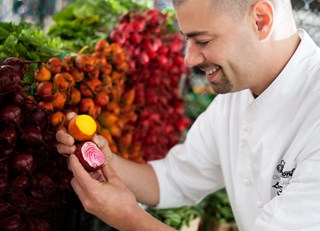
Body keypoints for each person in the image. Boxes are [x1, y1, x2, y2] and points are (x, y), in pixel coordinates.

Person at [56, 0, 320, 230]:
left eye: (202, 41)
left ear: (261, 21)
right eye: (187, 40)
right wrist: (106, 162)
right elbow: (172, 179)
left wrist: (130, 219)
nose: (189, 59)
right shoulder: (236, 97)